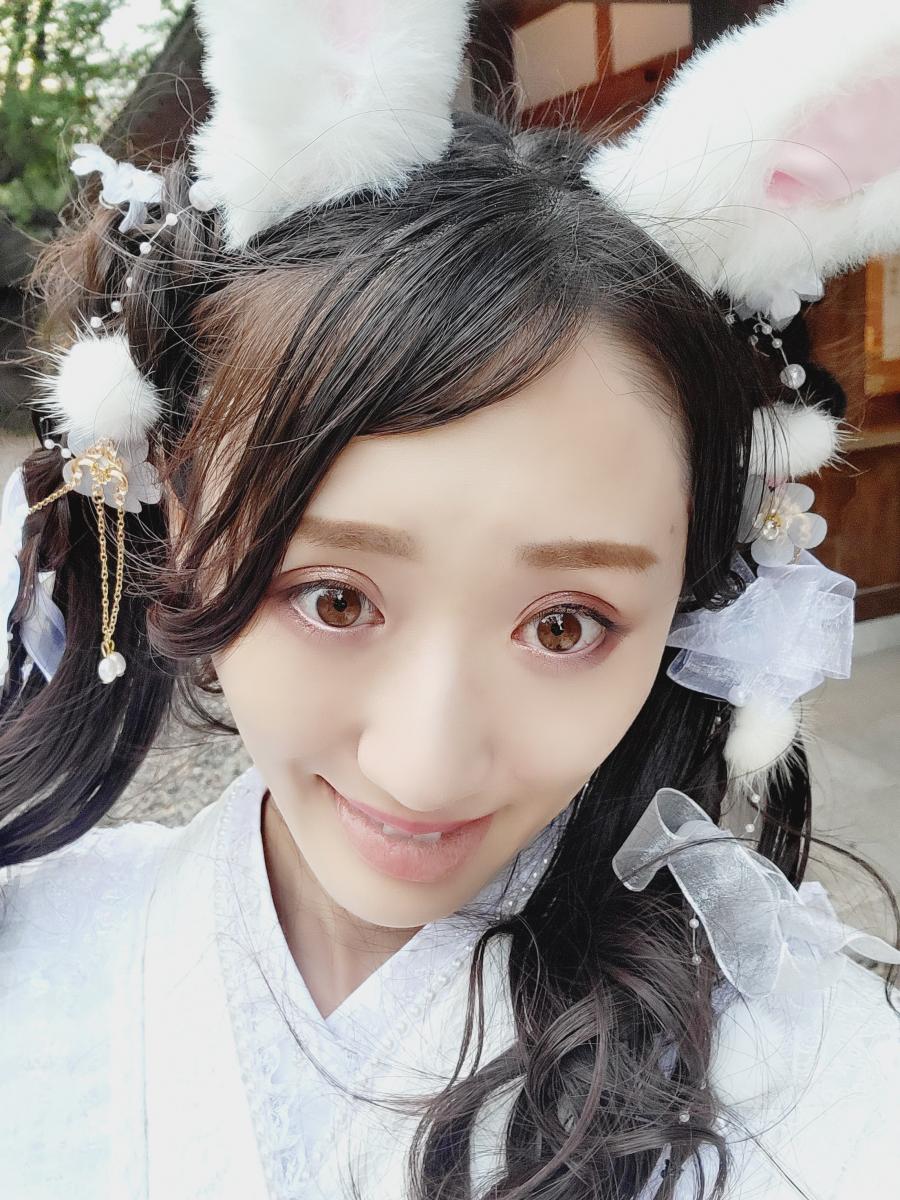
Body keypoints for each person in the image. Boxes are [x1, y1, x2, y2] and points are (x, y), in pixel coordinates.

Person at [0, 1, 898, 1197]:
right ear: (182, 516)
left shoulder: (806, 1075)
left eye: (565, 625)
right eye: (334, 599)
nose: (423, 771)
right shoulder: (39, 937)